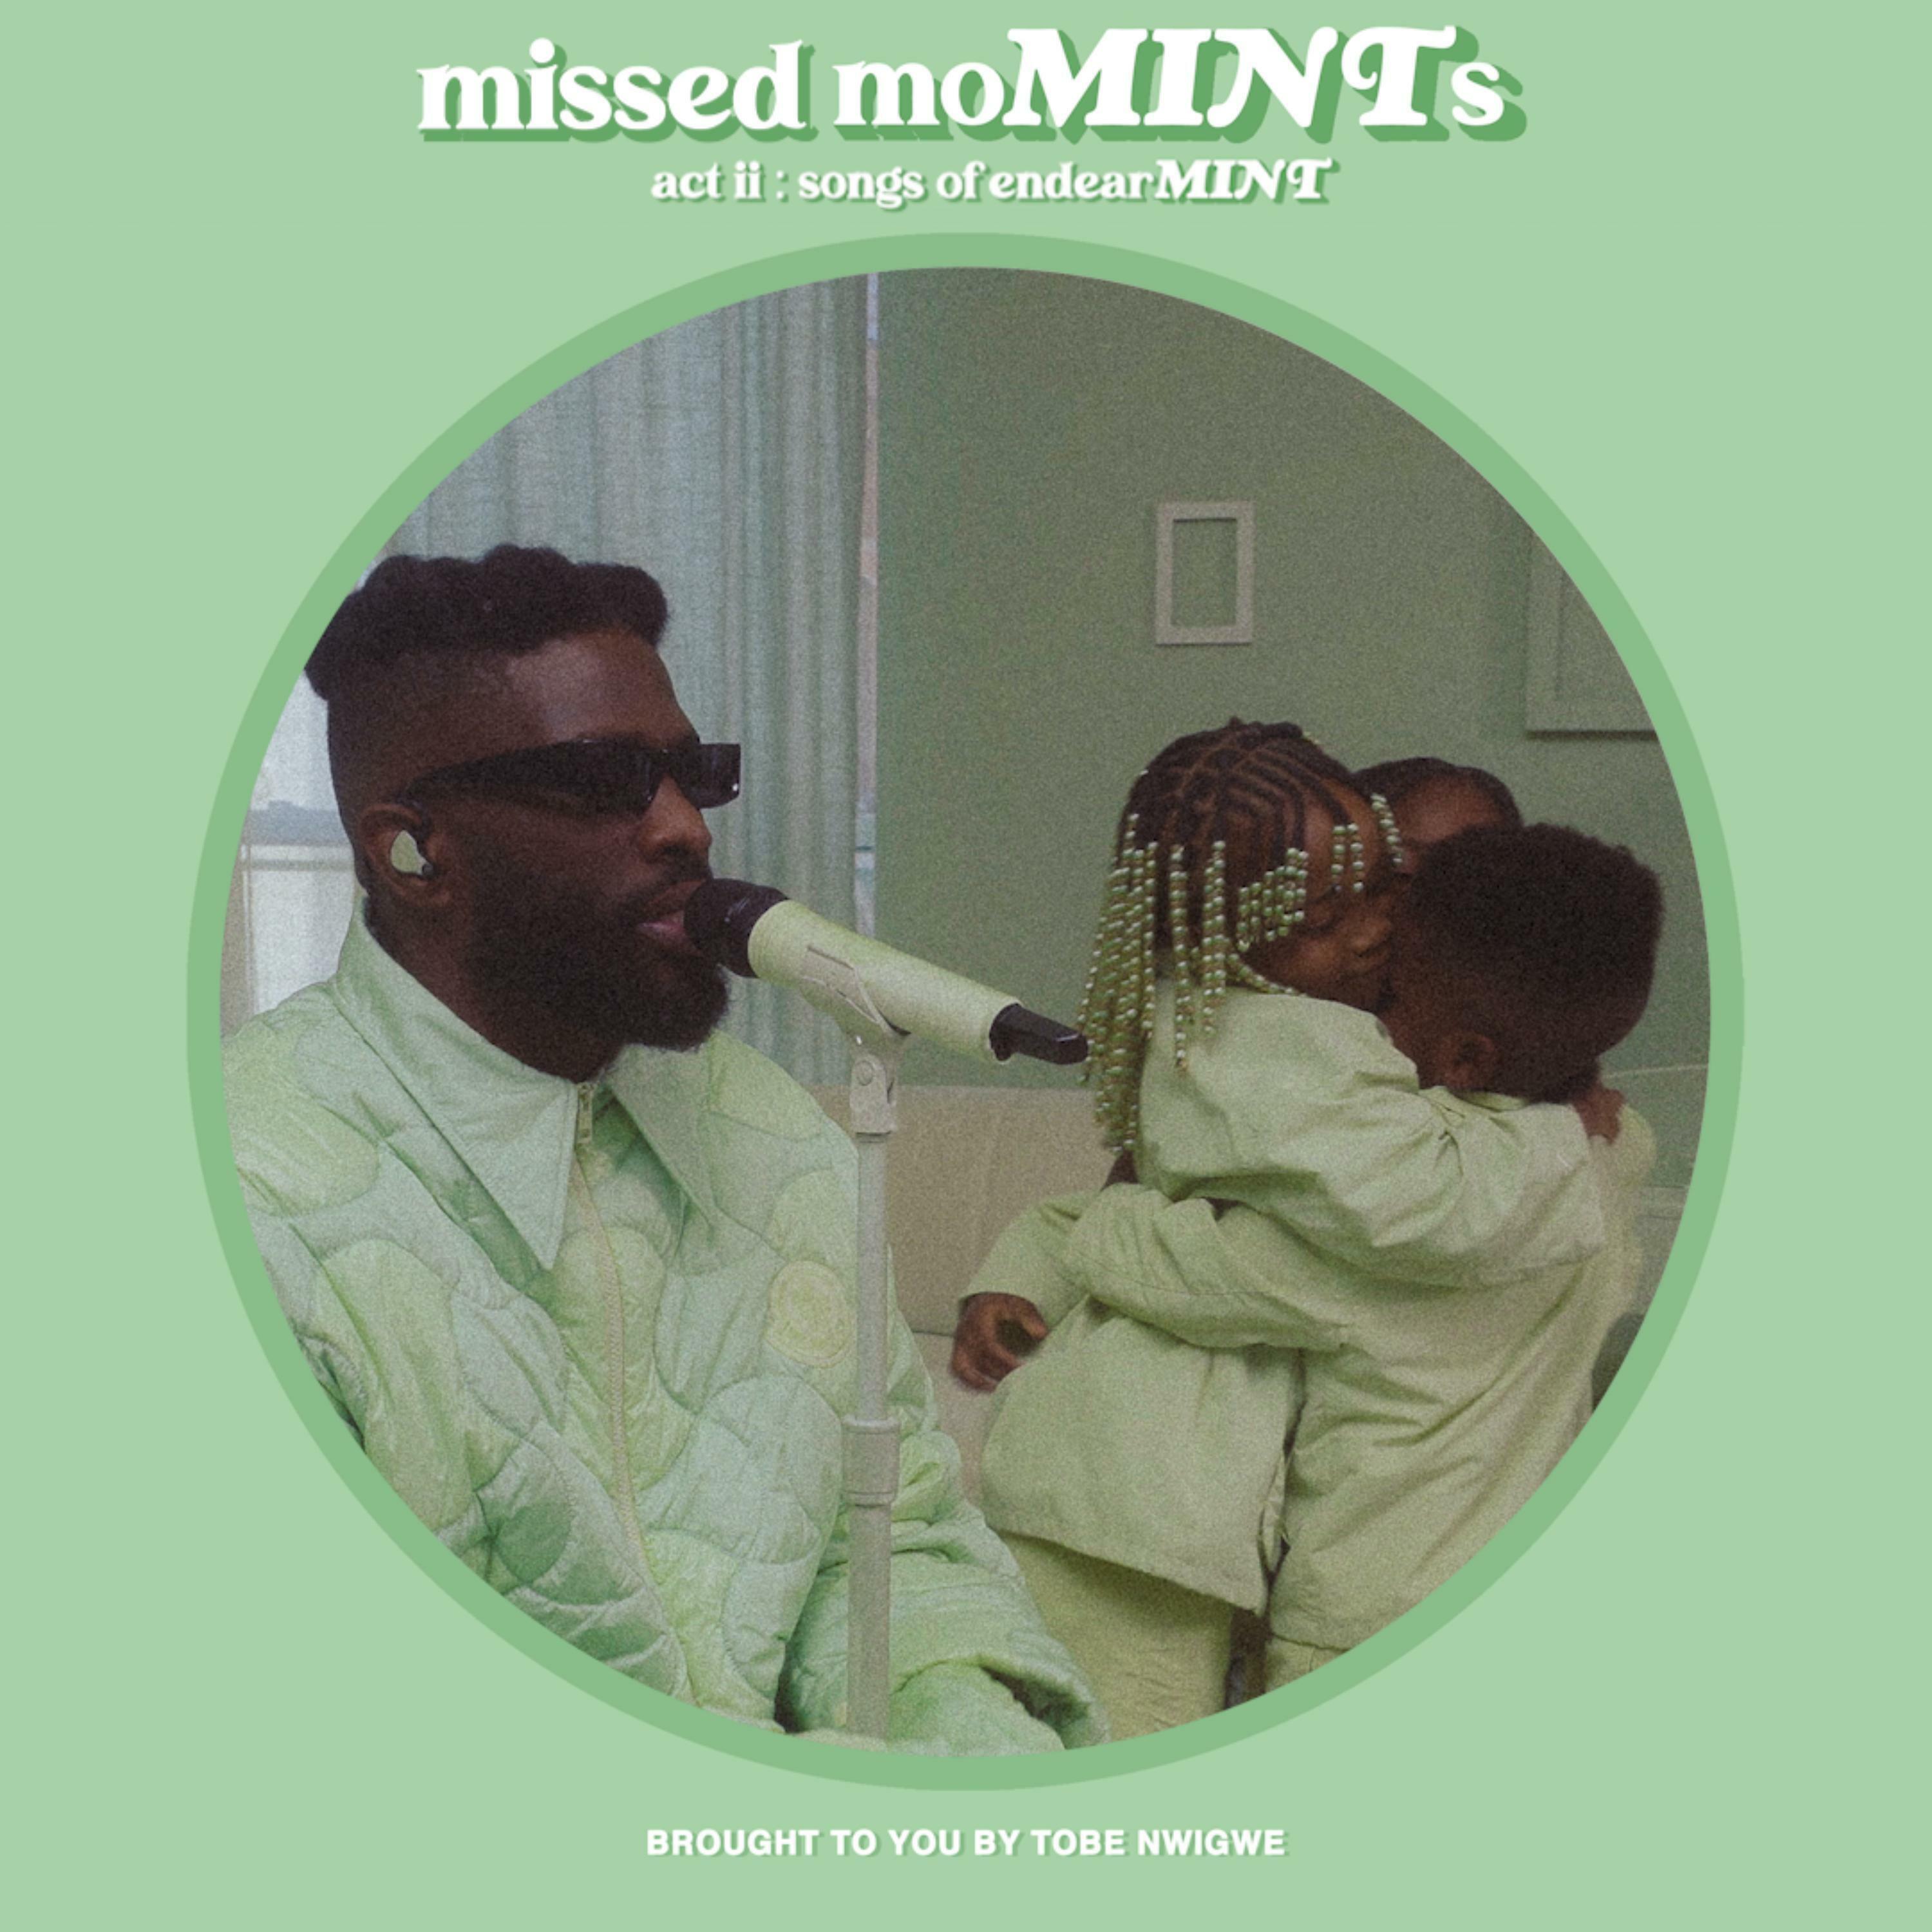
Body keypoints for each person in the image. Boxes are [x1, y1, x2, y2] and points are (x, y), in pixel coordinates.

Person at [224, 545, 1101, 1754]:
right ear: (412, 852)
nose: (686, 829)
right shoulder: (245, 1193)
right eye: (603, 782)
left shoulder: (775, 1135)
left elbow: (892, 1540)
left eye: (693, 774)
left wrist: (970, 1746)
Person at [954, 721, 1616, 1736]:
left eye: (1389, 891)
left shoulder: (1330, 1059)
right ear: (1234, 933)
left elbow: (1173, 1220)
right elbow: (1345, 1228)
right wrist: (1568, 1138)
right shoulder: (1294, 1057)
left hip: (1211, 1516)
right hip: (1135, 1502)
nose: (1384, 926)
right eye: (1335, 908)